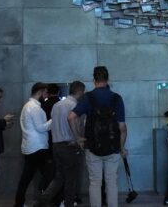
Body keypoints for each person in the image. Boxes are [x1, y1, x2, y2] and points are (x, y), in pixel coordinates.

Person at [69, 66, 127, 207]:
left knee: (95, 182)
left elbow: (71, 117)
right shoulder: (116, 98)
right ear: (108, 79)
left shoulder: (87, 97)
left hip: (92, 147)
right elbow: (122, 128)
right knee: (111, 182)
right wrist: (122, 147)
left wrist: (78, 138)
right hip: (113, 148)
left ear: (93, 80)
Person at [38, 81, 86, 207]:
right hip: (69, 146)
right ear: (80, 91)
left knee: (59, 178)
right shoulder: (75, 105)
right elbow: (78, 125)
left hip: (56, 146)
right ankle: (69, 204)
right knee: (71, 179)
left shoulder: (57, 105)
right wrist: (79, 139)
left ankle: (44, 199)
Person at [14, 83, 53, 207]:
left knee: (28, 177)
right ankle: (48, 202)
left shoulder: (27, 106)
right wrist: (54, 119)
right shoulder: (35, 108)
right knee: (49, 175)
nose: (46, 96)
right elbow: (41, 128)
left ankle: (20, 203)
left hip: (31, 147)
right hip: (38, 147)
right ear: (40, 92)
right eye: (45, 93)